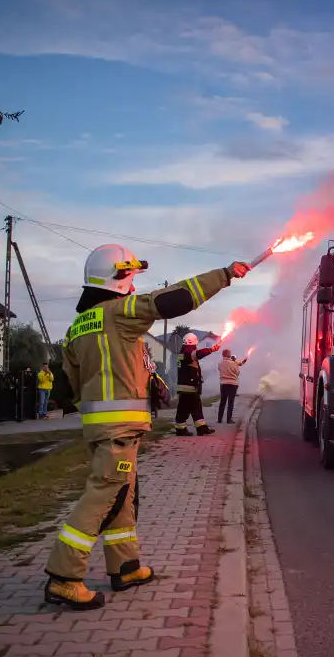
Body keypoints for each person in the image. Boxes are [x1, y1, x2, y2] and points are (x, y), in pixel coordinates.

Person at [44, 243, 250, 610]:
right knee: (103, 496)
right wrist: (224, 275)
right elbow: (172, 299)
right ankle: (64, 576)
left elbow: (70, 385)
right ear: (118, 278)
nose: (135, 286)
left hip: (103, 427)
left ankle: (125, 567)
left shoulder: (78, 326)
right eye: (131, 277)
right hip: (119, 428)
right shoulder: (118, 312)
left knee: (122, 496)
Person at [175, 333, 221, 436]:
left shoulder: (183, 352)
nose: (196, 347)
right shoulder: (187, 352)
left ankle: (199, 428)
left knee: (192, 408)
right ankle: (186, 429)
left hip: (187, 387)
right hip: (189, 387)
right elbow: (198, 354)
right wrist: (211, 349)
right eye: (195, 345)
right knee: (188, 409)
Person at [217, 349, 248, 424]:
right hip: (232, 384)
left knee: (222, 402)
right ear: (229, 355)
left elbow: (219, 370)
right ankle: (228, 420)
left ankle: (219, 419)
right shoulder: (233, 363)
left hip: (223, 384)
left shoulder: (220, 363)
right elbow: (237, 372)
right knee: (230, 402)